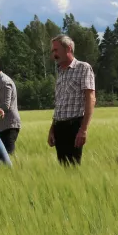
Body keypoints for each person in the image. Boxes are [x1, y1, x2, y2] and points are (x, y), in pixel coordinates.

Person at [48, 34, 95, 166]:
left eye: (56, 50)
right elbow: (60, 103)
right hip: (59, 127)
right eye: (53, 51)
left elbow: (90, 99)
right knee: (63, 168)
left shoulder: (83, 68)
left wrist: (83, 129)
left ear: (68, 49)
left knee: (73, 168)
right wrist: (52, 128)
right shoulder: (60, 72)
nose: (54, 54)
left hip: (74, 127)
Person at [0, 61, 21, 155]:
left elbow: (6, 105)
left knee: (8, 156)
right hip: (1, 125)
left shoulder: (4, 82)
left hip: (9, 125)